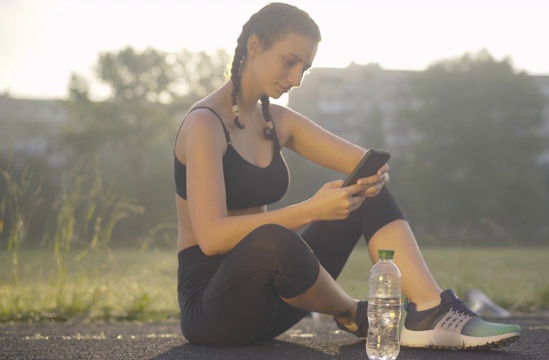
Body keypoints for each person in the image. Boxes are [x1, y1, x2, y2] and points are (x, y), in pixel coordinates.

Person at [173, 2, 521, 349]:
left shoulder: (276, 121)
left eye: (304, 69)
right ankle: (354, 312)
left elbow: (362, 160)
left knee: (362, 192)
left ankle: (430, 311)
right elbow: (212, 237)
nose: (295, 78)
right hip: (214, 310)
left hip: (273, 305)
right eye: (289, 61)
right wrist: (312, 209)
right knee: (275, 240)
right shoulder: (205, 124)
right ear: (254, 46)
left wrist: (371, 179)